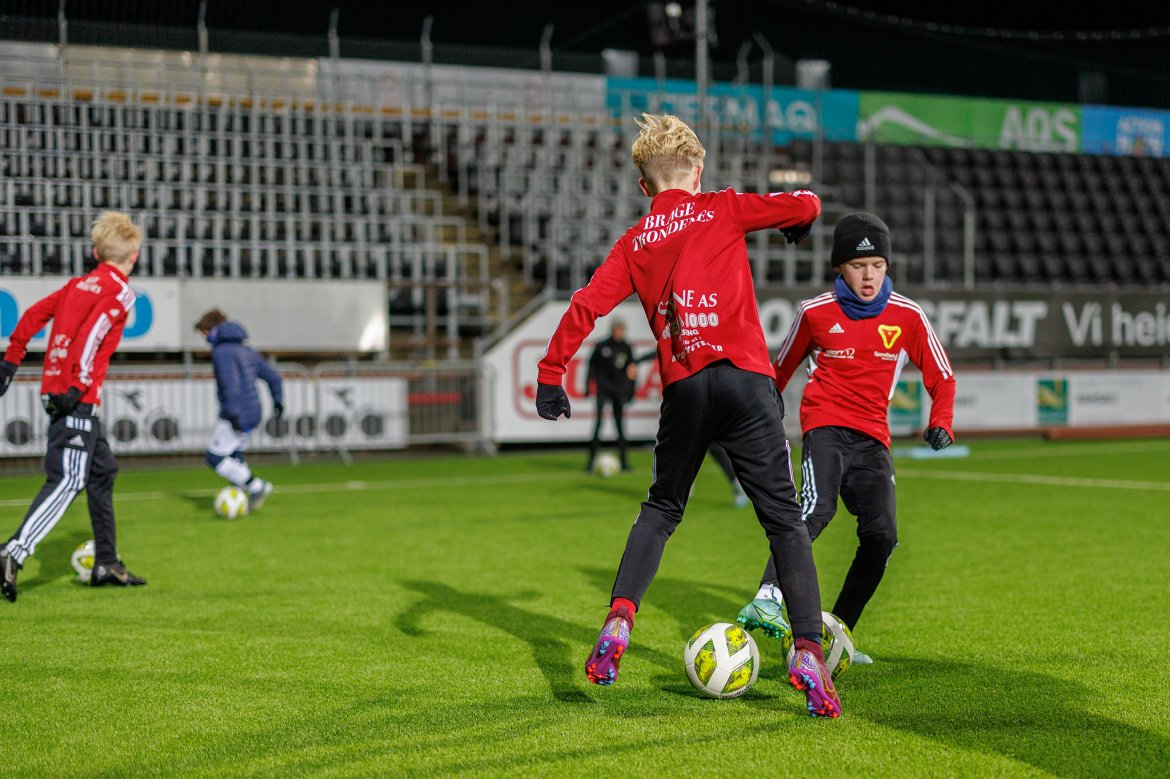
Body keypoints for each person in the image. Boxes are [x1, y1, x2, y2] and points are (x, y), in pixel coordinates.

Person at [535, 113, 841, 717]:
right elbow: (807, 202)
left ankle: (620, 619)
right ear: (697, 172)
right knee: (784, 522)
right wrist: (798, 223)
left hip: (685, 389)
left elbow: (585, 305)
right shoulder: (721, 206)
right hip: (746, 383)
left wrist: (551, 373)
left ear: (643, 186)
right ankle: (807, 649)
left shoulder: (633, 242)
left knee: (661, 509)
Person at [735, 212, 956, 665]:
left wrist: (942, 421)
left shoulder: (909, 316)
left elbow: (943, 376)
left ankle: (839, 632)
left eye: (877, 265)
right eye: (858, 266)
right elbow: (778, 372)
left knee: (882, 536)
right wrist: (758, 422)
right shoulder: (814, 312)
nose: (869, 275)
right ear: (840, 267)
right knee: (817, 508)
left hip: (873, 438)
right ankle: (768, 594)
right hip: (825, 426)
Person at [0, 211, 148, 601]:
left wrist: (11, 362)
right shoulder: (120, 290)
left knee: (103, 470)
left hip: (58, 388)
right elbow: (93, 335)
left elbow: (33, 316)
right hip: (76, 395)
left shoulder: (77, 284)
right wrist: (79, 385)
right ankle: (13, 551)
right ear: (133, 256)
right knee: (68, 480)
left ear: (96, 252)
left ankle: (106, 562)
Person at [193, 309, 283, 511]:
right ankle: (240, 498)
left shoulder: (222, 353)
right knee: (236, 456)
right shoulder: (246, 350)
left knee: (215, 457)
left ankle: (256, 486)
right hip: (253, 412)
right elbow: (273, 377)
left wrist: (232, 413)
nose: (204, 338)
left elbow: (230, 384)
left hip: (237, 413)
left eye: (204, 333)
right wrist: (278, 402)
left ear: (212, 330)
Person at [584, 319, 638, 472]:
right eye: (616, 330)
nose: (618, 333)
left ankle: (624, 462)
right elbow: (591, 366)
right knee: (598, 424)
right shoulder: (602, 346)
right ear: (612, 330)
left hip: (618, 390)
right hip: (603, 389)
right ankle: (590, 462)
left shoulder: (626, 348)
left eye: (620, 330)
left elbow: (632, 370)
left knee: (620, 425)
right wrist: (588, 386)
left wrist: (631, 391)